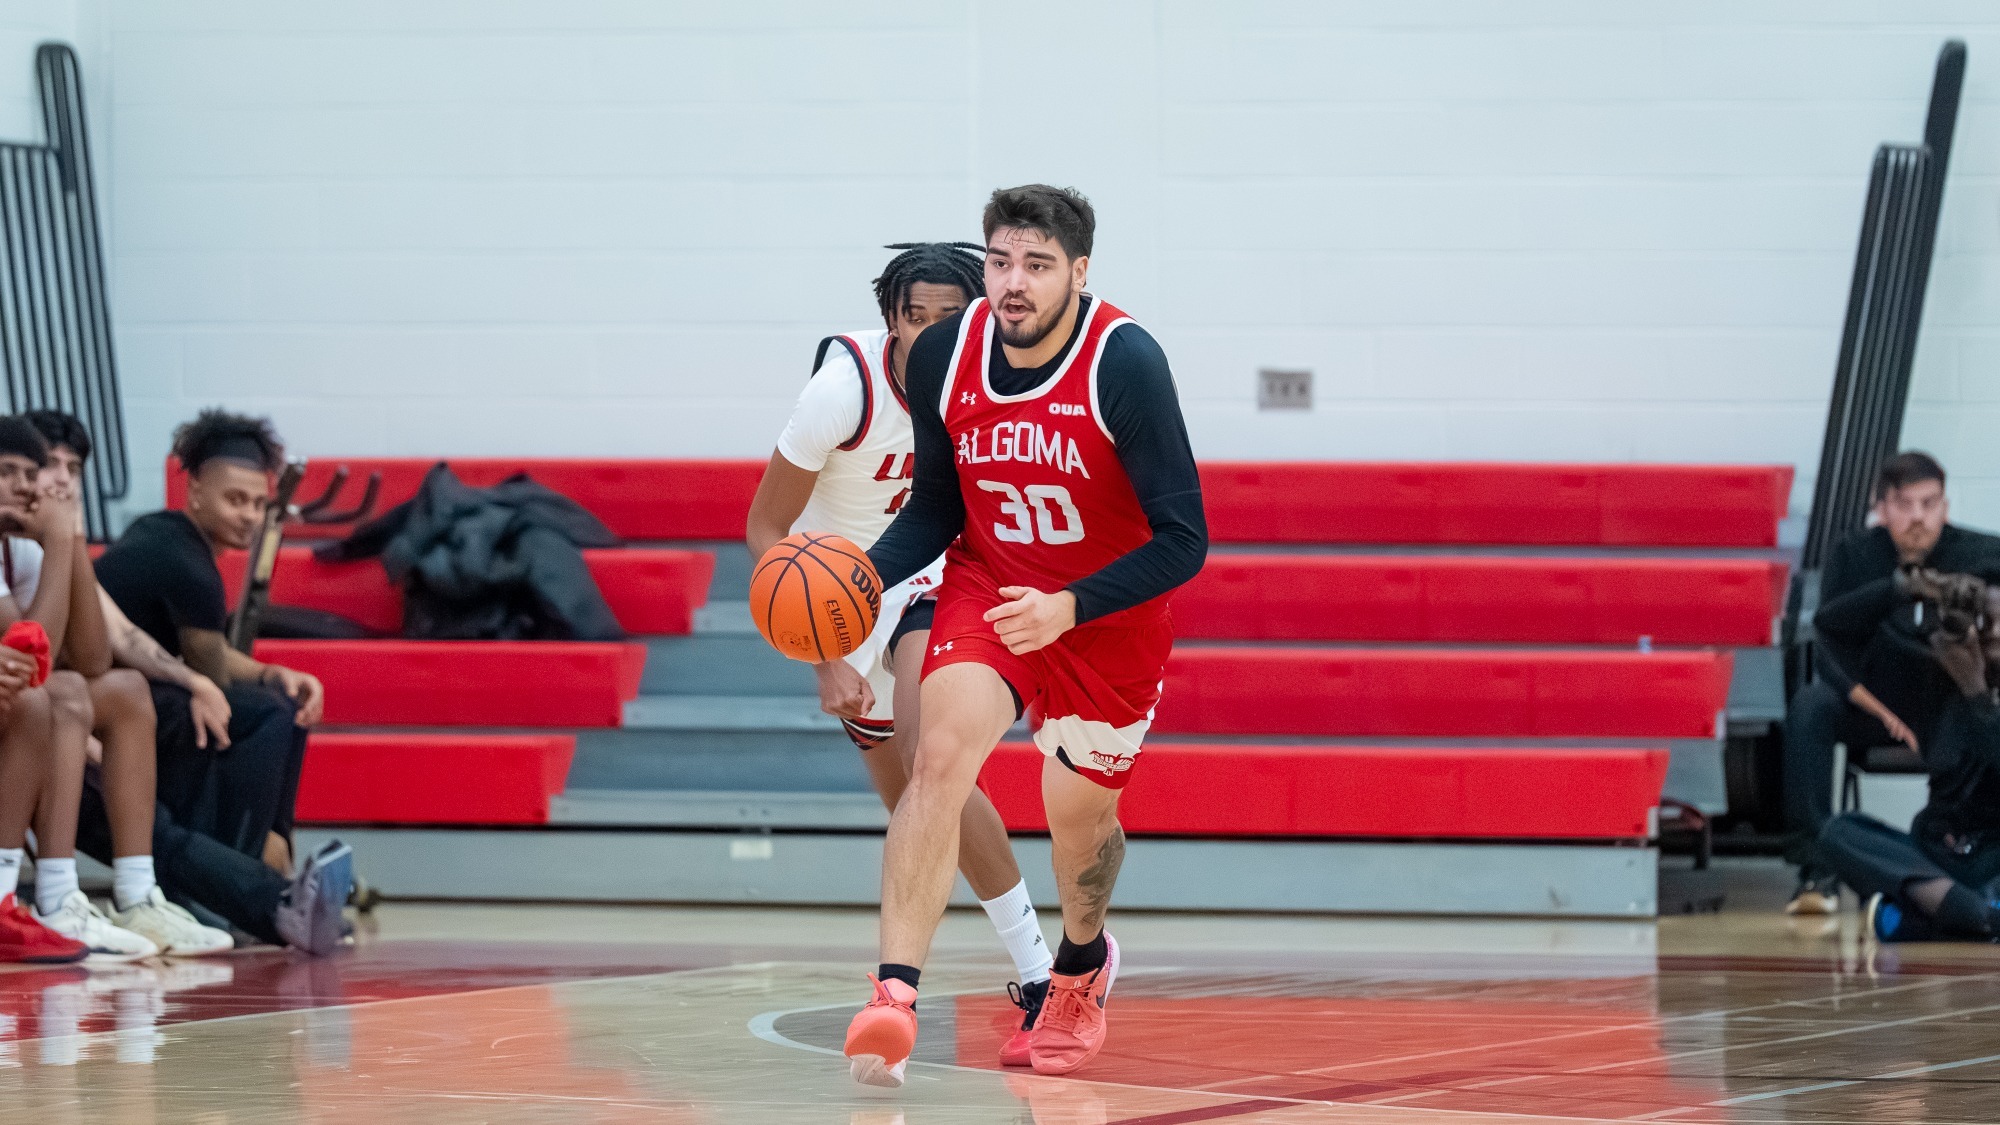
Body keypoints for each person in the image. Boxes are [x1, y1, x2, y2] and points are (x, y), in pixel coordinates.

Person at [840, 185, 1207, 1085]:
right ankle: (893, 994)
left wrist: (1071, 605)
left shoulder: (1125, 361)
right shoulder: (945, 355)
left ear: (1078, 273)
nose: (1013, 282)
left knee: (1077, 826)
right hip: (991, 588)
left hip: (1106, 619)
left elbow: (1184, 539)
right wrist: (863, 578)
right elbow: (936, 508)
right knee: (938, 759)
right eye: (1001, 261)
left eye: (1037, 265)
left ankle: (1080, 966)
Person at [744, 243, 1057, 1055]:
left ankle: (1035, 973)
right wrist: (822, 654)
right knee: (914, 802)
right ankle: (1026, 966)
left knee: (933, 760)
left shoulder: (996, 379)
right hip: (841, 595)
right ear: (891, 318)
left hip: (936, 580)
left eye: (948, 317)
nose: (930, 332)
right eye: (915, 316)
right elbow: (766, 526)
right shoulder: (842, 389)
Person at [21, 409, 237, 955]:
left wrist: (70, 541)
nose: (59, 481)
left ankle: (138, 895)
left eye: (73, 468)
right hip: (31, 704)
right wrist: (59, 542)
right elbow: (37, 654)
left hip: (33, 698)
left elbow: (95, 655)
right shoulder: (25, 541)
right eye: (45, 467)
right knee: (63, 695)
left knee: (126, 690)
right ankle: (54, 898)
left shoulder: (34, 540)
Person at [95, 410, 324, 875]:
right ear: (196, 491)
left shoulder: (159, 528)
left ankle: (269, 850)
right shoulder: (191, 568)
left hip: (129, 689)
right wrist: (263, 685)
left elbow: (209, 653)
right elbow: (213, 678)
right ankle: (249, 861)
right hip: (106, 703)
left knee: (281, 700)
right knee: (269, 713)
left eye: (258, 504)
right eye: (235, 500)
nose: (250, 516)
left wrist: (269, 672)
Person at [1784, 452, 2000, 915]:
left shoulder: (1981, 554)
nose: (1918, 517)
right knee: (1810, 705)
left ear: (1945, 506)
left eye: (1930, 503)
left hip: (1952, 706)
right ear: (1880, 508)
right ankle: (1816, 871)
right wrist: (1900, 588)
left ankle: (1946, 876)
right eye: (1905, 504)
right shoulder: (1854, 554)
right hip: (1873, 704)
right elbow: (1829, 634)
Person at [1820, 580, 2000, 942]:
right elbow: (1832, 628)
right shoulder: (1934, 678)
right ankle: (1976, 914)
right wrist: (1905, 587)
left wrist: (1977, 694)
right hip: (1938, 852)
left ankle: (1939, 914)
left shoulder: (1972, 690)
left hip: (1994, 858)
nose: (1994, 632)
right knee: (1839, 832)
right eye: (1985, 621)